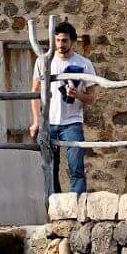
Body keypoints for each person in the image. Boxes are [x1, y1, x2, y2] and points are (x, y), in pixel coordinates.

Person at [30, 21, 97, 195]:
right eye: (57, 40)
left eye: (64, 40)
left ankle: (77, 208)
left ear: (73, 41)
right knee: (50, 169)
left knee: (76, 168)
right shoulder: (43, 61)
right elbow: (35, 93)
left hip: (72, 122)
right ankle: (55, 211)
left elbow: (91, 98)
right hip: (49, 122)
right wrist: (36, 121)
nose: (60, 45)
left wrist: (78, 95)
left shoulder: (84, 64)